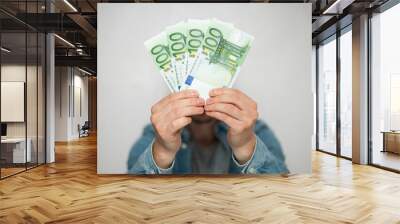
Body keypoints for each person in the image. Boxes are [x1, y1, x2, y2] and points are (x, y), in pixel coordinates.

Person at [127, 88, 288, 174]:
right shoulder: (157, 133)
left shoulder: (254, 130)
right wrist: (162, 151)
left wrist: (246, 147)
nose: (202, 96)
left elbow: (281, 198)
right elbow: (132, 202)